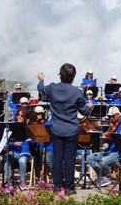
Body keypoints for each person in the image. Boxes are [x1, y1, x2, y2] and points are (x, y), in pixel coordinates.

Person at [37, 63, 93, 194]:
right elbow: (84, 111)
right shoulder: (77, 92)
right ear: (73, 77)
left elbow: (41, 89)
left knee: (57, 158)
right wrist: (89, 106)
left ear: (60, 74)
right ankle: (69, 187)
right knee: (69, 159)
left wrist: (41, 79)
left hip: (56, 129)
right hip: (71, 130)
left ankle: (57, 187)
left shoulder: (52, 88)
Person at [87, 106, 121, 187]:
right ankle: (103, 177)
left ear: (118, 115)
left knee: (102, 161)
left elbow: (119, 140)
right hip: (109, 150)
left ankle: (105, 176)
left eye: (112, 116)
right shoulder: (112, 125)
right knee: (90, 158)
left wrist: (110, 136)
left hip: (118, 152)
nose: (111, 118)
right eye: (109, 117)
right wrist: (107, 136)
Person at [3, 106, 32, 190]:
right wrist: (13, 143)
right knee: (6, 159)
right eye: (18, 115)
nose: (19, 116)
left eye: (22, 115)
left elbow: (33, 142)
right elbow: (7, 141)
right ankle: (10, 180)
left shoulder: (28, 127)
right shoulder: (12, 126)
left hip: (25, 152)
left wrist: (23, 141)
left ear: (25, 117)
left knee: (22, 160)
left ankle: (22, 181)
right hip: (14, 152)